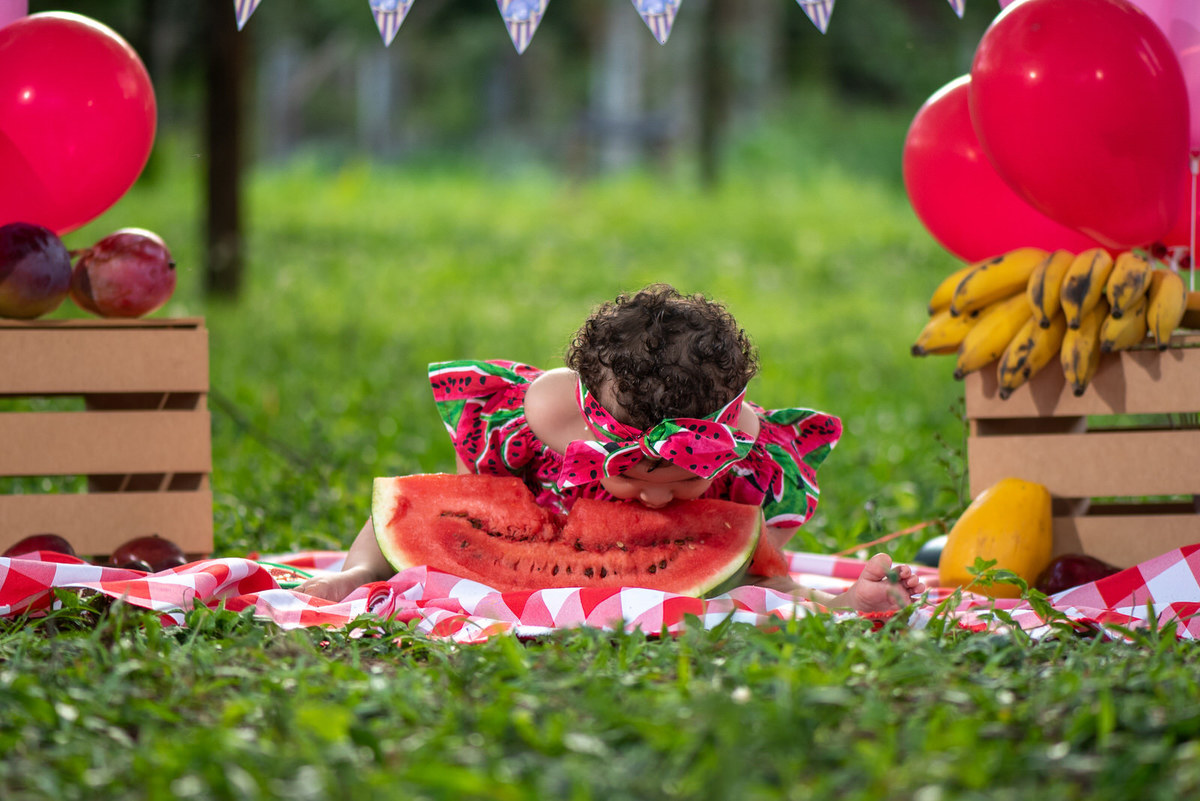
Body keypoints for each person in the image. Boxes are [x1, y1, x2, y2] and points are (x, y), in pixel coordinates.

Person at [298, 284, 925, 610]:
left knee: (751, 583)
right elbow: (474, 484)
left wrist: (765, 570)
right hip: (546, 512)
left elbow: (753, 542)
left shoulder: (746, 444)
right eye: (637, 473)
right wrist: (494, 532)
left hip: (673, 557)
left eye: (684, 479)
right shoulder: (548, 411)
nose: (656, 495)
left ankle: (841, 600)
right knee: (409, 516)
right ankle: (355, 572)